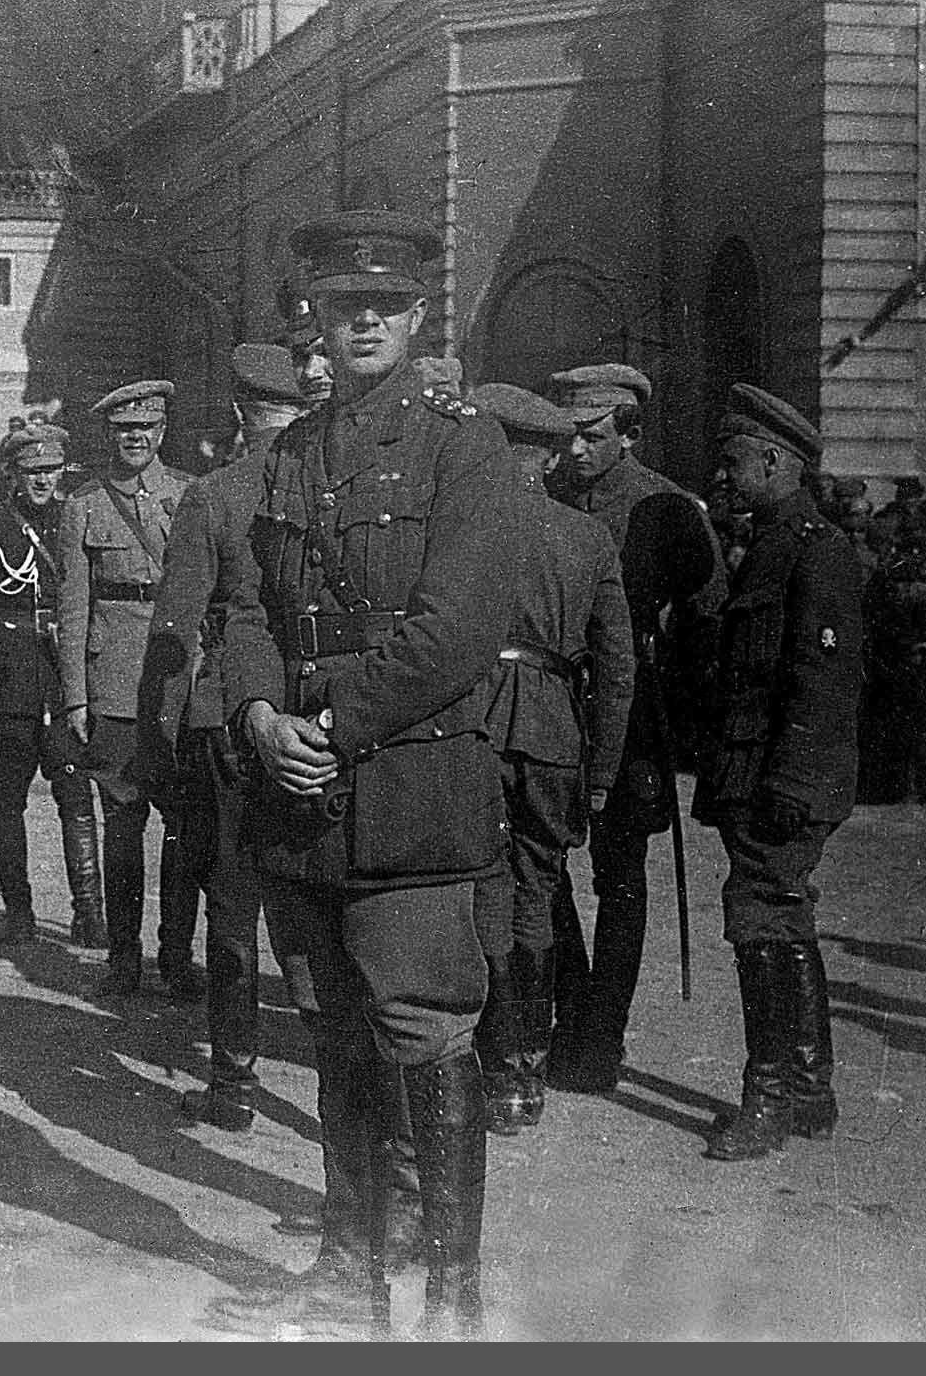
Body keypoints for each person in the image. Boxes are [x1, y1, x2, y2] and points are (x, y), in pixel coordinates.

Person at [221, 210, 516, 1337]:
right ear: (316, 318)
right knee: (334, 1027)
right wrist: (255, 711)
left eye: (381, 309)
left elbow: (454, 631)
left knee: (424, 1027)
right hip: (298, 788)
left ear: (414, 316)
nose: (360, 327)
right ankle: (349, 1267)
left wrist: (329, 723)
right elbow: (243, 606)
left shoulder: (462, 447)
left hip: (406, 790)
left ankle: (450, 1292)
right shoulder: (290, 454)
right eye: (342, 308)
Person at [143, 340, 331, 1129]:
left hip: (227, 719)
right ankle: (342, 1091)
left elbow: (177, 629)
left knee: (232, 907)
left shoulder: (213, 496)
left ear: (239, 414)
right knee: (314, 912)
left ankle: (235, 1085)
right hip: (316, 719)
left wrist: (161, 734)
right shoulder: (330, 493)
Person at [545, 363, 726, 1093]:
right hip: (555, 705)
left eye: (592, 436)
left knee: (620, 881)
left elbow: (707, 616)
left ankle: (601, 1037)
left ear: (629, 432)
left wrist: (675, 709)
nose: (576, 450)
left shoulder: (668, 508)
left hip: (629, 717)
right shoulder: (551, 497)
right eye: (570, 436)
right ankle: (572, 1003)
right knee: (541, 867)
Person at [693, 384, 863, 1160]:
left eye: (733, 463)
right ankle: (808, 1087)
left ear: (773, 459)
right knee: (783, 917)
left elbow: (821, 685)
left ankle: (766, 1100)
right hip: (758, 775)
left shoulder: (813, 549)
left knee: (760, 917)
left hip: (784, 780)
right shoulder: (770, 541)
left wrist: (790, 787)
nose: (722, 478)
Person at [465, 382, 635, 1136]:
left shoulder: (459, 527)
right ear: (546, 451)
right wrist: (600, 772)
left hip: (471, 723)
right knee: (537, 894)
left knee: (483, 891)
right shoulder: (587, 538)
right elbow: (618, 667)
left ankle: (492, 1060)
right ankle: (527, 1067)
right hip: (555, 736)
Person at [57, 378, 201, 998]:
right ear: (110, 436)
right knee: (121, 826)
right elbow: (72, 605)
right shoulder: (83, 506)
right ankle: (124, 953)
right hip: (112, 680)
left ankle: (175, 953)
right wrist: (74, 696)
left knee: (183, 826)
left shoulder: (192, 496)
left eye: (145, 429)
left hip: (176, 681)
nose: (135, 439)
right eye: (123, 430)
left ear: (162, 432)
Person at [0, 421, 103, 946]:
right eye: (32, 472)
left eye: (51, 470)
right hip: (11, 674)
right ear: (14, 474)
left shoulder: (75, 517)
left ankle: (88, 910)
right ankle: (17, 909)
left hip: (63, 672)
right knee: (8, 795)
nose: (43, 481)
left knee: (74, 791)